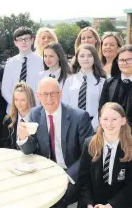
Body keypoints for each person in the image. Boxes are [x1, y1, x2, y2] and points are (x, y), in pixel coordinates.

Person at [17, 77, 94, 207]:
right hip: (44, 171)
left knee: (54, 199)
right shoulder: (34, 114)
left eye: (53, 93)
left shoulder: (79, 117)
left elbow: (89, 153)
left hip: (70, 172)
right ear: (38, 95)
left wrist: (67, 175)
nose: (49, 98)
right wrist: (23, 138)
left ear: (61, 93)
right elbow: (30, 149)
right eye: (45, 94)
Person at [78, 102, 132, 208]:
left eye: (114, 119)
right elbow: (84, 179)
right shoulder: (90, 144)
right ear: (100, 121)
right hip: (93, 202)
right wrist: (89, 204)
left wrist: (110, 206)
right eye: (105, 119)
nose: (109, 123)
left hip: (119, 202)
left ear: (123, 121)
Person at [62, 44, 106, 130]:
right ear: (77, 58)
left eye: (89, 56)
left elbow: (103, 107)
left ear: (95, 58)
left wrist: (94, 125)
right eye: (82, 56)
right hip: (73, 124)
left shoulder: (102, 82)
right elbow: (65, 105)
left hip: (95, 124)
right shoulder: (69, 81)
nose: (85, 59)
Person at [2, 26, 44, 113]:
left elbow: (42, 88)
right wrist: (16, 105)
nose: (23, 42)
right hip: (13, 111)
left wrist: (32, 107)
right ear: (15, 42)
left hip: (35, 110)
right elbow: (5, 89)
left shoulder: (41, 62)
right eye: (20, 39)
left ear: (32, 40)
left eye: (26, 39)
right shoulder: (10, 63)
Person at [1, 82, 36, 150]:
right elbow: (5, 145)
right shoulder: (8, 120)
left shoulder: (37, 119)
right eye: (16, 100)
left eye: (23, 100)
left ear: (29, 100)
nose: (18, 103)